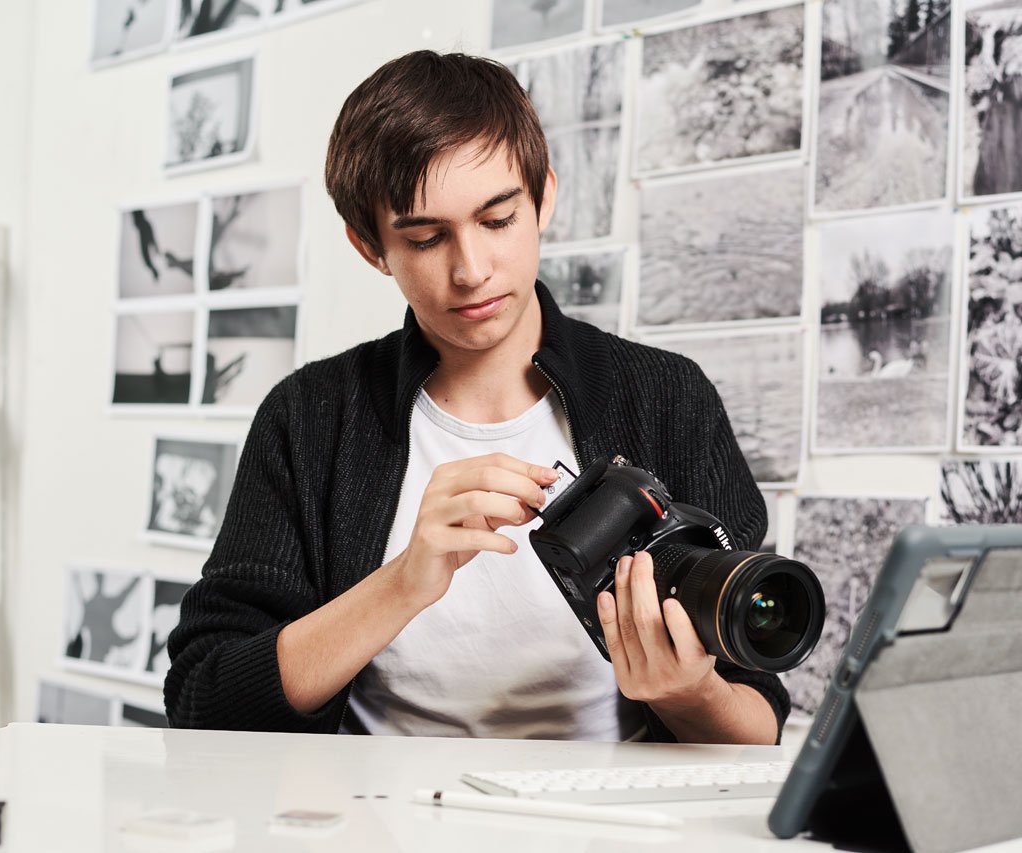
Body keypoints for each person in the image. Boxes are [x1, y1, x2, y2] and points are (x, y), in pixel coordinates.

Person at [165, 51, 788, 744]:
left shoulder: (665, 395)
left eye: (497, 220)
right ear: (370, 246)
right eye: (426, 237)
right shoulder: (310, 416)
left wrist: (687, 691)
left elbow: (756, 722)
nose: (471, 270)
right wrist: (401, 583)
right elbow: (204, 700)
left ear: (543, 196)